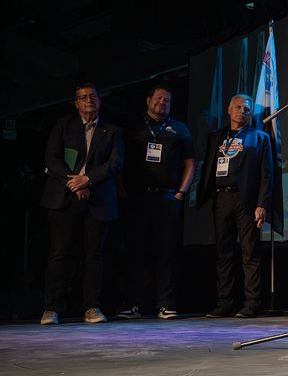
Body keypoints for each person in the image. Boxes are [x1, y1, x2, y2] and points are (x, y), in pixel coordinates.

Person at [39, 83, 125, 325]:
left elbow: (115, 164)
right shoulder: (63, 125)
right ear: (76, 103)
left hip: (98, 199)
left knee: (94, 256)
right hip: (64, 199)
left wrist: (87, 180)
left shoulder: (112, 130)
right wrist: (74, 183)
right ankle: (51, 308)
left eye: (93, 96)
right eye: (83, 97)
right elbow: (52, 158)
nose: (89, 100)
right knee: (59, 253)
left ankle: (92, 307)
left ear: (100, 101)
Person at [116, 84, 194, 320]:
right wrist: (121, 189)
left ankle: (166, 304)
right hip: (137, 197)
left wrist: (181, 193)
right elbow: (118, 161)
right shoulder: (133, 128)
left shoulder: (180, 129)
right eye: (159, 98)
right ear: (148, 100)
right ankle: (133, 304)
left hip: (167, 197)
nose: (162, 102)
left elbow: (190, 162)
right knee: (135, 252)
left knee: (166, 253)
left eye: (167, 100)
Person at [197, 94, 274, 318]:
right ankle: (224, 303)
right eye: (238, 107)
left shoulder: (259, 138)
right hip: (222, 199)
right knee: (224, 253)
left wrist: (262, 203)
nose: (243, 111)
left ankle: (251, 304)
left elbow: (266, 175)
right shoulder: (216, 137)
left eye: (247, 109)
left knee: (249, 253)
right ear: (229, 110)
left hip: (246, 200)